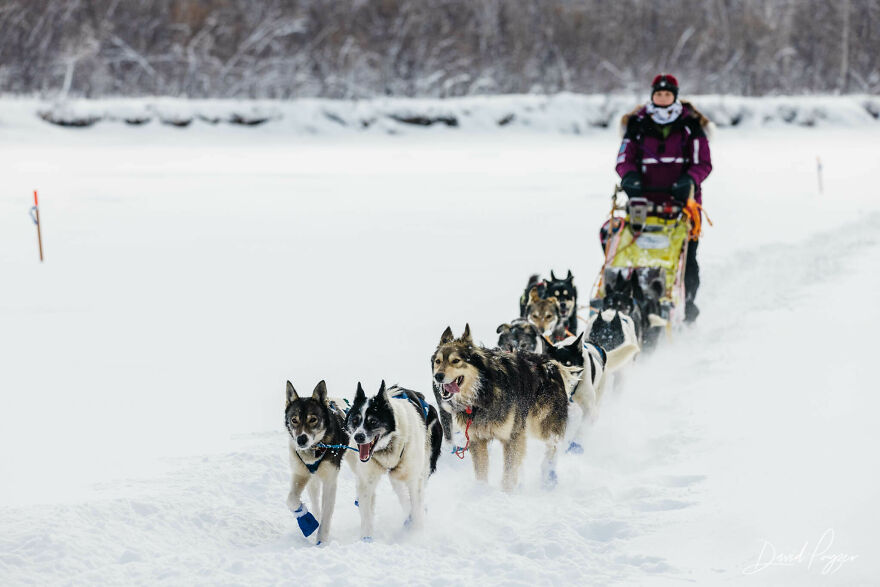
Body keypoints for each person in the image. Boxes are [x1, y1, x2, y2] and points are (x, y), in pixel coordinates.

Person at [615, 73, 712, 322]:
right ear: (652, 96)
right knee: (632, 252)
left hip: (683, 205)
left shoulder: (691, 125)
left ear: (675, 96)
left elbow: (703, 163)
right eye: (658, 94)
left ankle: (688, 304)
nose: (663, 98)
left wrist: (689, 179)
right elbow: (624, 159)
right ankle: (630, 298)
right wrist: (629, 177)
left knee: (687, 257)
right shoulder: (637, 124)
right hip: (643, 203)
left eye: (667, 94)